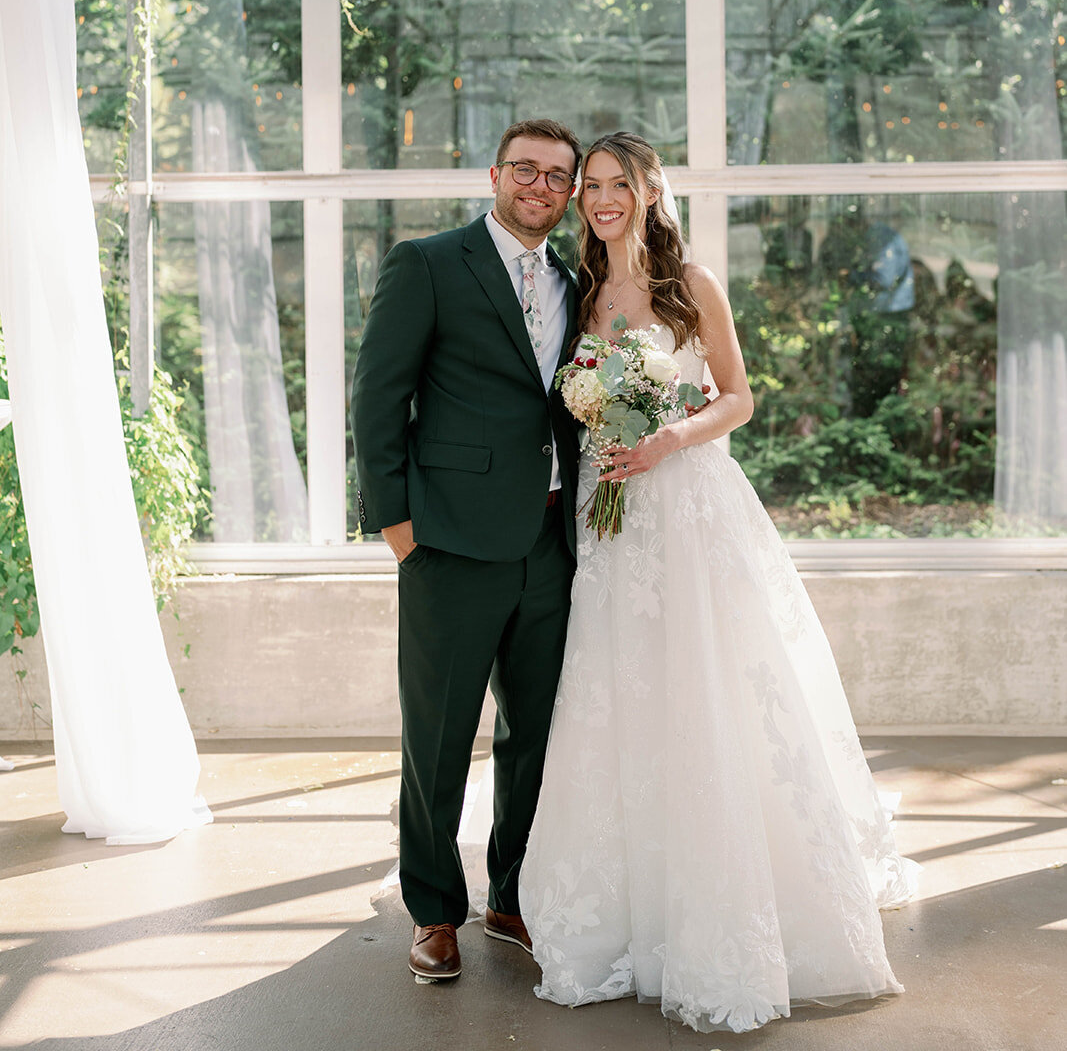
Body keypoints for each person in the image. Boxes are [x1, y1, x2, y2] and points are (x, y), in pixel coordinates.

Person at [519, 132, 913, 1036]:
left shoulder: (690, 286)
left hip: (685, 504)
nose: (600, 199)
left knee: (707, 691)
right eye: (591, 186)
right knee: (620, 695)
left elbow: (737, 396)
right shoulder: (578, 292)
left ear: (652, 191)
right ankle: (627, 907)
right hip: (605, 515)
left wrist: (668, 439)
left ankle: (727, 904)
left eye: (619, 184)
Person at [352, 118, 583, 985]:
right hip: (447, 541)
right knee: (439, 737)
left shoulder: (574, 277)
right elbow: (379, 397)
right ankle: (433, 911)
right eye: (525, 170)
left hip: (552, 543)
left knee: (534, 734)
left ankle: (511, 894)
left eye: (557, 177)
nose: (541, 187)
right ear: (494, 174)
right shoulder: (428, 263)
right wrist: (396, 528)